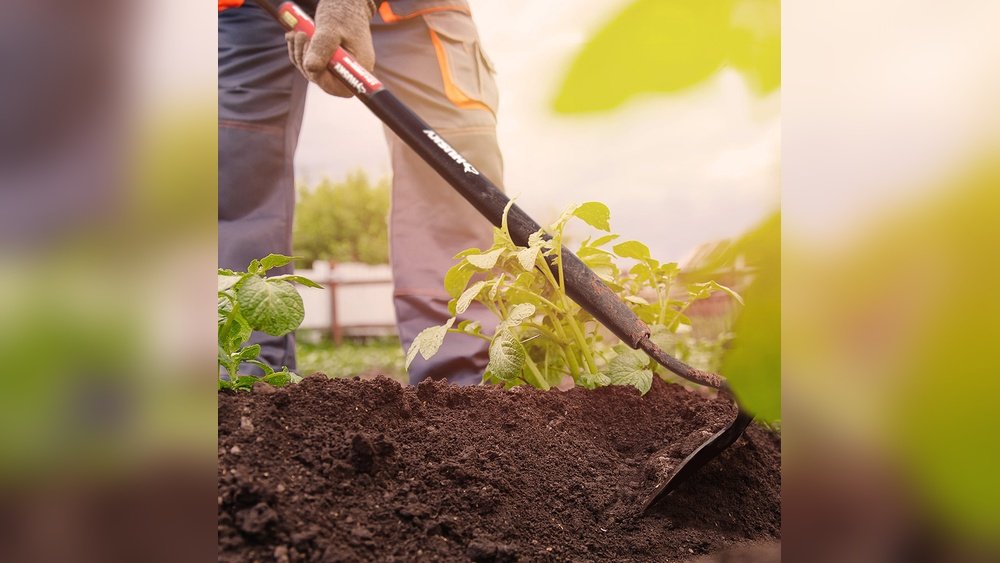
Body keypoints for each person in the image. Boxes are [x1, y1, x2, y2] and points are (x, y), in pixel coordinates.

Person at [219, 0, 501, 385]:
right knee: (229, 164)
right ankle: (243, 385)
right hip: (248, 10)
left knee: (454, 167)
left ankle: (464, 390)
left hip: (406, 8)